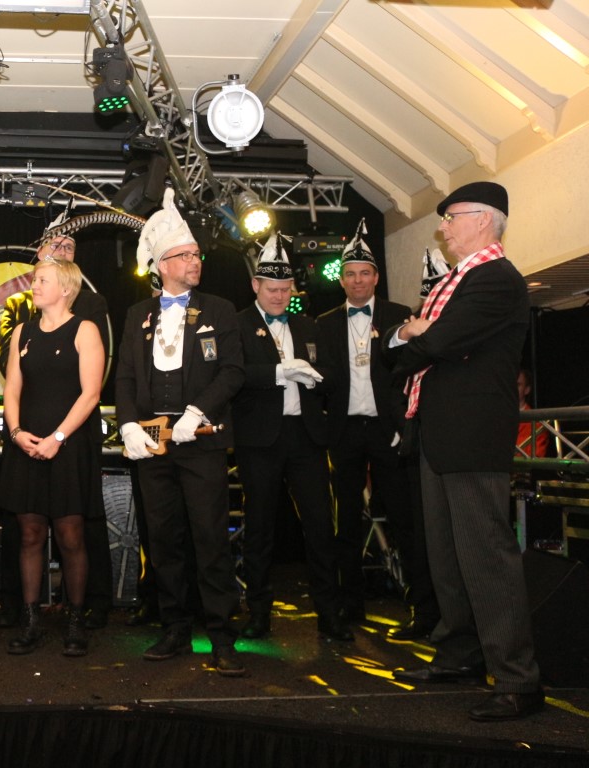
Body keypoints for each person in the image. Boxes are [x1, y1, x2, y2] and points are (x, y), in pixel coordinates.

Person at [388, 181, 544, 722]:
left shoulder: (495, 278)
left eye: (451, 217)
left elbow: (435, 343)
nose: (443, 227)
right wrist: (417, 334)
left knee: (486, 558)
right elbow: (415, 345)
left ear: (482, 219)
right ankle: (460, 655)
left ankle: (518, 679)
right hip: (441, 436)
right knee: (448, 557)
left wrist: (419, 334)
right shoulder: (460, 281)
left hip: (472, 439)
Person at [115, 190, 246, 674]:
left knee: (210, 539)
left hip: (201, 441)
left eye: (196, 254)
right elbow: (125, 376)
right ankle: (174, 628)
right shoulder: (137, 314)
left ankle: (222, 636)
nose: (195, 261)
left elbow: (232, 371)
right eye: (185, 255)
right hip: (153, 444)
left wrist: (197, 412)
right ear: (162, 265)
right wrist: (128, 423)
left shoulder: (220, 308)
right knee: (163, 541)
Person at [232, 236, 353, 643]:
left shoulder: (307, 325)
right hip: (259, 440)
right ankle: (259, 613)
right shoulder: (238, 324)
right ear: (256, 286)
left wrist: (314, 377)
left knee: (320, 526)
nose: (280, 297)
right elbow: (233, 374)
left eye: (286, 290)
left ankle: (329, 613)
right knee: (259, 527)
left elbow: (334, 374)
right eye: (272, 289)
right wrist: (279, 373)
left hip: (306, 436)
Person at [0, 220, 114, 630]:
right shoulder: (22, 332)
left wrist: (58, 438)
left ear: (65, 288)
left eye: (41, 280)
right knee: (29, 533)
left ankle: (75, 619)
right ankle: (31, 620)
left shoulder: (86, 329)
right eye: (35, 279)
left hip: (68, 446)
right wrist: (16, 433)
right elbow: (12, 390)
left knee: (70, 535)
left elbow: (91, 394)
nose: (34, 285)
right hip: (26, 444)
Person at [315, 220, 415, 627]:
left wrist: (403, 424)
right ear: (342, 280)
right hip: (344, 432)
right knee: (346, 523)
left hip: (387, 431)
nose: (357, 280)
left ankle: (422, 607)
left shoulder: (400, 316)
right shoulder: (323, 323)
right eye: (351, 274)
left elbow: (411, 374)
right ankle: (350, 606)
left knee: (405, 517)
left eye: (364, 273)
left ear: (376, 277)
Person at [516, 368, 549, 457]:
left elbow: (535, 456)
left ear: (527, 390)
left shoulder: (537, 424)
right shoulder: (496, 416)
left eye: (517, 385)